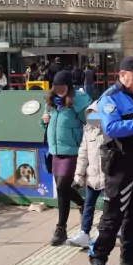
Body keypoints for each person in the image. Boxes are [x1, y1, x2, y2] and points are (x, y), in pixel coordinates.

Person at [88, 57, 133, 265]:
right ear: (122, 75)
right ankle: (98, 256)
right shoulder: (110, 98)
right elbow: (111, 128)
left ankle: (130, 254)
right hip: (120, 165)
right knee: (112, 215)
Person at [43, 71, 92, 246]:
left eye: (62, 87)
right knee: (61, 189)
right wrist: (44, 120)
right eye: (56, 87)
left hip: (73, 150)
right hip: (55, 150)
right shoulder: (50, 102)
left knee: (63, 186)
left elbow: (92, 121)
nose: (59, 91)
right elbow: (44, 123)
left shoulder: (78, 99)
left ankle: (61, 226)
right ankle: (64, 227)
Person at [69, 100, 106, 249]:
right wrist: (78, 176)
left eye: (94, 114)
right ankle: (84, 233)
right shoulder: (88, 131)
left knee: (111, 207)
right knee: (88, 205)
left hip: (107, 177)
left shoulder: (109, 131)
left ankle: (108, 231)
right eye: (89, 114)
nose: (91, 118)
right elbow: (82, 155)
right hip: (92, 177)